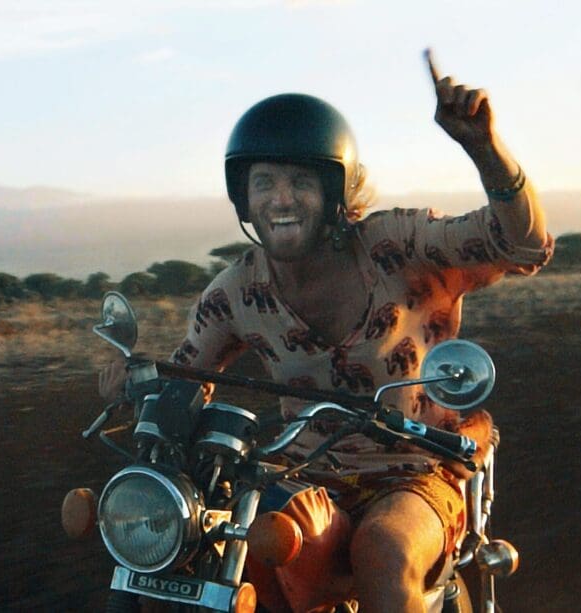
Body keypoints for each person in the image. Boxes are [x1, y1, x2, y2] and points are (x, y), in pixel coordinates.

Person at [99, 49, 552, 612]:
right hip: (310, 478)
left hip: (419, 470)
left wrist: (483, 147)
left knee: (383, 550)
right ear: (243, 196)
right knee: (200, 555)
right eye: (263, 182)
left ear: (335, 191)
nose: (280, 199)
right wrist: (134, 380)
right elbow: (188, 376)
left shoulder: (395, 246)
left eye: (300, 182)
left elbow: (523, 243)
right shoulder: (235, 291)